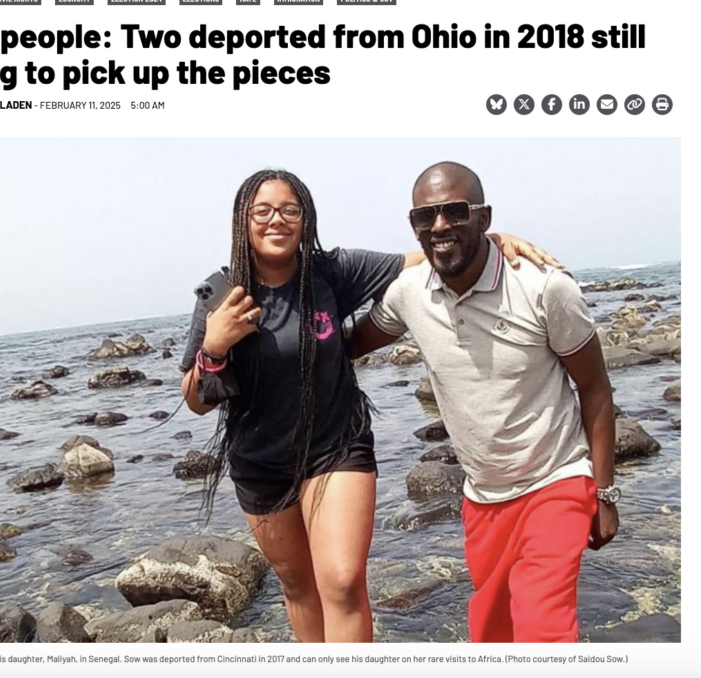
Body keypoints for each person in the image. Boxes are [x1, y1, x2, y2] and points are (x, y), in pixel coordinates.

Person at [180, 168, 560, 644]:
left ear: (305, 218)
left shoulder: (331, 272)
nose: (276, 220)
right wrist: (214, 347)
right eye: (263, 211)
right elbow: (195, 401)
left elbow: (423, 257)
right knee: (299, 585)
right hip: (259, 463)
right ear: (243, 220)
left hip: (336, 448)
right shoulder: (222, 295)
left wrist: (489, 238)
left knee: (340, 580)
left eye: (289, 209)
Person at [347, 161, 618, 643]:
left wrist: (604, 493)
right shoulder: (409, 293)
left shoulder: (543, 286)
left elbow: (595, 388)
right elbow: (345, 347)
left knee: (543, 629)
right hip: (483, 498)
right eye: (424, 217)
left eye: (455, 211)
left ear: (484, 217)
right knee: (492, 635)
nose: (440, 226)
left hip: (555, 481)